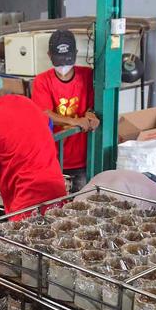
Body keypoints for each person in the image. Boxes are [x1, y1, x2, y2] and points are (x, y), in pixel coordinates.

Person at [0, 61, 66, 219]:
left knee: (24, 240)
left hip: (25, 196)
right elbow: (48, 125)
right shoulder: (26, 102)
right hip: (56, 187)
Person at [31, 29, 98, 191]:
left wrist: (90, 114)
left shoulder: (88, 76)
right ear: (49, 55)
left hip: (83, 159)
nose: (63, 66)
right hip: (55, 159)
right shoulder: (42, 81)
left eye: (67, 61)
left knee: (82, 201)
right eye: (59, 61)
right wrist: (75, 121)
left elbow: (93, 103)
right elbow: (44, 114)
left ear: (75, 53)